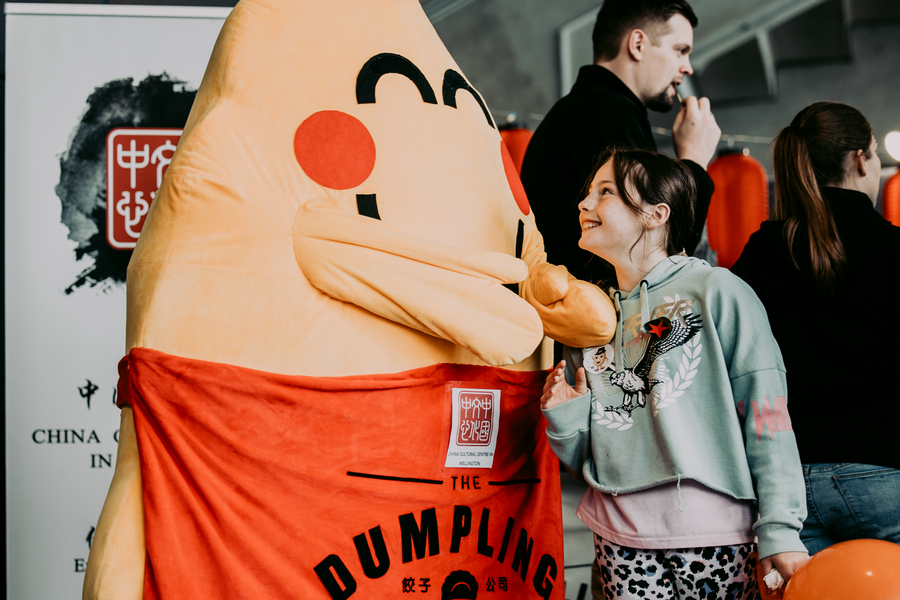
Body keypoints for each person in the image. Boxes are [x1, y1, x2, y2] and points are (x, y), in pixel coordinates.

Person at [541, 147, 809, 599]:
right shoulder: (588, 316)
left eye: (605, 192)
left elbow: (768, 413)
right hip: (618, 537)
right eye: (588, 194)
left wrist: (781, 528)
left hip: (719, 536)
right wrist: (566, 419)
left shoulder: (717, 290)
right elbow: (596, 449)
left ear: (655, 214)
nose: (585, 205)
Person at [731, 102, 900, 555]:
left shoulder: (762, 253)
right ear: (862, 158)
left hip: (786, 487)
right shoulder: (893, 250)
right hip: (887, 475)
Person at [521, 0, 721, 286]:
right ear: (638, 44)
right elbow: (659, 253)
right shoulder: (603, 115)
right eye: (680, 50)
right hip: (590, 320)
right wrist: (694, 159)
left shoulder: (594, 109)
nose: (687, 67)